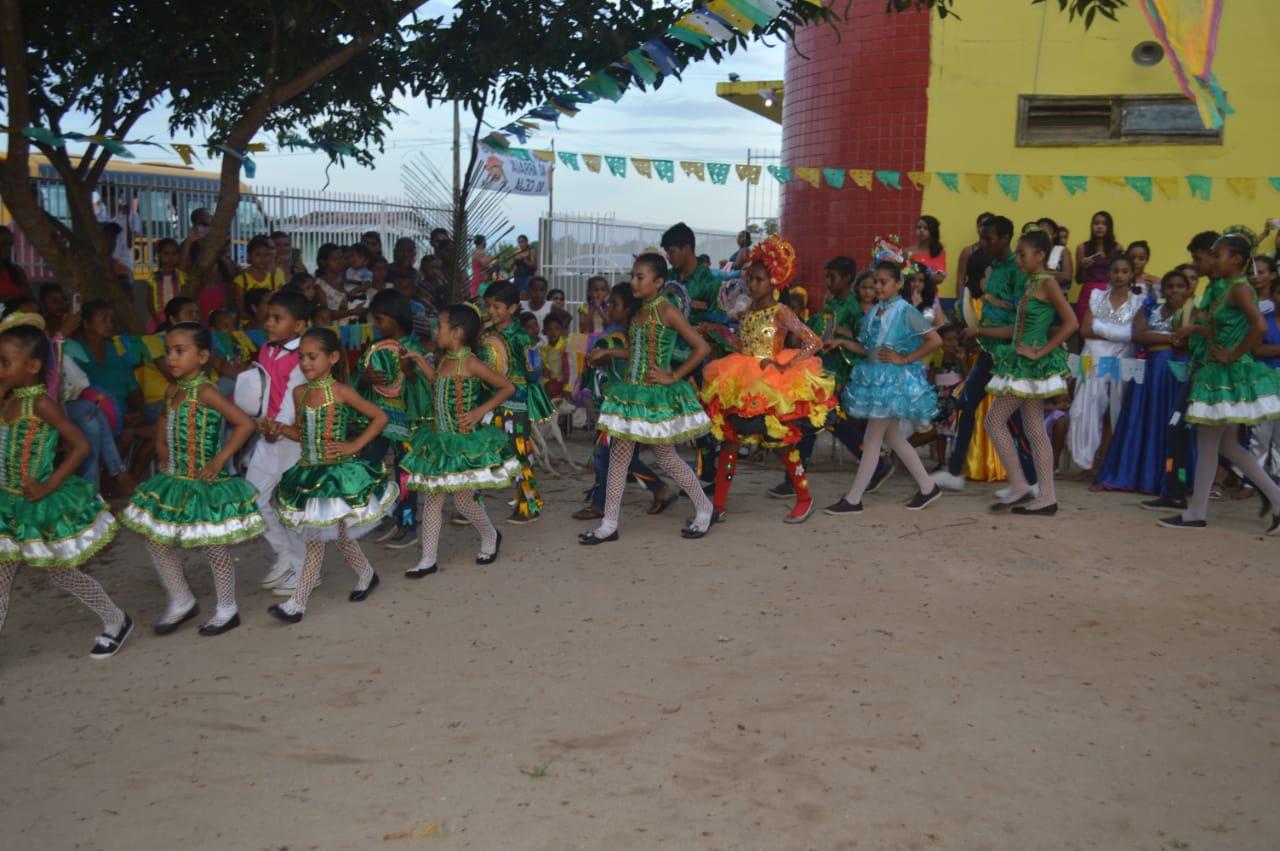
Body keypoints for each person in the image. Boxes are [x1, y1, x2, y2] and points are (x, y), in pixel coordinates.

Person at [0, 313, 132, 659]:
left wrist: (47, 486)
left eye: (4, 362)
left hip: (36, 503)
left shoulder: (41, 403)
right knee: (1, 573)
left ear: (32, 365)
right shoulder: (7, 400)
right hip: (6, 500)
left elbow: (81, 446)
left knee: (61, 574)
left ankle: (116, 620)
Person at [121, 323, 264, 636]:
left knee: (213, 545)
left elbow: (244, 424)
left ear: (202, 357)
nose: (171, 358)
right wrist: (160, 446)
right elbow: (164, 419)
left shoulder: (206, 391)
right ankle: (181, 599)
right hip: (174, 480)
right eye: (168, 351)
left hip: (204, 482)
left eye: (180, 351)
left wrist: (219, 460)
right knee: (155, 537)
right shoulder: (174, 390)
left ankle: (227, 609)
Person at [578, 253, 716, 544]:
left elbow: (701, 347)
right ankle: (609, 524)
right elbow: (638, 352)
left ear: (659, 281)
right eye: (633, 276)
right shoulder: (639, 312)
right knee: (619, 457)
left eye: (640, 277)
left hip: (654, 396)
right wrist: (610, 353)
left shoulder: (667, 310)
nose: (633, 281)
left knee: (666, 458)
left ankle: (705, 508)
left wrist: (673, 377)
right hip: (631, 392)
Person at [699, 236, 836, 524]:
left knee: (782, 442)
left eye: (759, 279)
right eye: (750, 278)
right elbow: (741, 345)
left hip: (772, 384)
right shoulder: (747, 311)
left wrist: (786, 366)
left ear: (775, 280)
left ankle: (804, 499)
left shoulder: (780, 312)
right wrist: (717, 331)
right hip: (740, 380)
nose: (752, 285)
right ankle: (719, 504)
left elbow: (813, 342)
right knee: (730, 441)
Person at [267, 328, 398, 622]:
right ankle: (366, 574)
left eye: (313, 357)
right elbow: (301, 434)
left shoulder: (341, 391)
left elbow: (381, 417)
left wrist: (355, 445)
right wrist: (278, 429)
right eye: (301, 357)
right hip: (310, 475)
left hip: (337, 476)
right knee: (339, 535)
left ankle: (297, 604)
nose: (305, 363)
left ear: (333, 358)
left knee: (316, 538)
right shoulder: (300, 392)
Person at [1159, 228, 1280, 532]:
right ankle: (1277, 499)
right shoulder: (1224, 287)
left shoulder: (1240, 288)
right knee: (1226, 445)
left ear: (1237, 260)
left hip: (1226, 372)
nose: (1213, 259)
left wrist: (1233, 354)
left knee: (1209, 442)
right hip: (1216, 368)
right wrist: (1194, 331)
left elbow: (1259, 325)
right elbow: (1218, 329)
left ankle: (1196, 512)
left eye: (1218, 255)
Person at [400, 305, 518, 577]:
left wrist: (480, 411)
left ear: (456, 332)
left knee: (463, 502)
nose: (434, 331)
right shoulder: (444, 360)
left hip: (462, 444)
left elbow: (507, 387)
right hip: (439, 441)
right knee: (432, 500)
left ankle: (490, 535)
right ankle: (428, 560)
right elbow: (437, 383)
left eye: (439, 326)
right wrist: (419, 360)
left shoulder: (471, 362)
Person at [824, 260, 942, 514]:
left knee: (872, 437)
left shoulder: (905, 310)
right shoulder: (874, 311)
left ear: (899, 284)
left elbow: (935, 339)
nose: (878, 286)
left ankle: (854, 499)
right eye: (875, 281)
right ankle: (927, 487)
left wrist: (905, 359)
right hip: (876, 377)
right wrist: (841, 343)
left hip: (892, 382)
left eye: (883, 282)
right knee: (893, 437)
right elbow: (868, 349)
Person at [932, 216, 1038, 494]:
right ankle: (955, 471)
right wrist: (976, 335)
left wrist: (979, 332)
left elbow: (1019, 323)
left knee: (1012, 419)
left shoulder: (1018, 271)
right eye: (982, 237)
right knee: (966, 404)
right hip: (989, 352)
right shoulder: (993, 269)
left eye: (988, 238)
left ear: (1005, 238)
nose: (983, 243)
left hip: (1009, 354)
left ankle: (1032, 481)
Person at [984, 229, 1078, 514]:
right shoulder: (1030, 283)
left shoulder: (1048, 283)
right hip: (1021, 361)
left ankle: (1022, 486)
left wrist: (1041, 350)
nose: (1018, 259)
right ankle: (1044, 495)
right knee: (1034, 428)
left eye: (1022, 254)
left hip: (1030, 365)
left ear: (1039, 255)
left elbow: (1071, 322)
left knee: (994, 420)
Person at [575, 282, 674, 521]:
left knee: (607, 452)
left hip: (626, 403)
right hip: (623, 404)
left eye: (614, 304)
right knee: (615, 454)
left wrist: (606, 356)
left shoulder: (621, 338)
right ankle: (655, 488)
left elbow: (622, 371)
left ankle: (606, 504)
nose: (609, 308)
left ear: (628, 308)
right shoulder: (620, 334)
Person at [1096, 270, 1194, 493]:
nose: (1175, 290)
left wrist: (1164, 339)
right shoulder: (1151, 308)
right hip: (1151, 373)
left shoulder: (1192, 312)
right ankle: (1137, 476)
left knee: (1172, 424)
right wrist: (1172, 338)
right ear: (1163, 290)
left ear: (1188, 289)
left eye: (1180, 286)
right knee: (1144, 420)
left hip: (1176, 375)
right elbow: (1138, 335)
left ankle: (1172, 481)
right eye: (1170, 286)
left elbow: (1191, 340)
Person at [244, 290, 310, 595]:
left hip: (291, 440)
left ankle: (303, 569)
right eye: (268, 317)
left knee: (291, 507)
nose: (269, 323)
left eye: (277, 318)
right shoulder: (266, 350)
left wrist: (278, 428)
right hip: (268, 436)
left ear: (298, 326)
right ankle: (286, 554)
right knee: (251, 498)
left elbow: (291, 398)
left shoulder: (301, 357)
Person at [357, 290, 433, 546]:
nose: (376, 325)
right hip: (379, 419)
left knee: (404, 472)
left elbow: (425, 387)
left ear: (396, 319)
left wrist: (409, 372)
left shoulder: (415, 350)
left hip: (405, 423)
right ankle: (389, 512)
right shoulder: (374, 349)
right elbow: (361, 375)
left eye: (380, 319)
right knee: (369, 464)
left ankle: (408, 523)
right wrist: (366, 378)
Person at [483, 282, 554, 524]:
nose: (491, 311)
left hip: (515, 405)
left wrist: (516, 379)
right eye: (488, 306)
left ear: (512, 308)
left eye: (497, 306)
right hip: (492, 402)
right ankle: (471, 504)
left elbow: (534, 371)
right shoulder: (489, 335)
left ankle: (529, 505)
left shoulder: (522, 338)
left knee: (520, 453)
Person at [1068, 254, 1144, 481]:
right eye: (1115, 271)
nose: (1119, 275)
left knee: (1114, 411)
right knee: (1085, 408)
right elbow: (1084, 330)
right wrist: (1119, 334)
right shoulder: (1097, 296)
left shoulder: (1138, 302)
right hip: (1093, 359)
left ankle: (1106, 463)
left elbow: (1135, 334)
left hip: (1121, 360)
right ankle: (1089, 463)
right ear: (1109, 273)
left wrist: (1101, 329)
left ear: (1131, 275)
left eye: (1124, 271)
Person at [1246, 255, 1280, 478]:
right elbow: (1257, 350)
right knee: (1261, 432)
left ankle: (1276, 478)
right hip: (1265, 378)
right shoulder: (1263, 319)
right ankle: (1253, 481)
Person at [1074, 211, 1122, 324]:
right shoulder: (1082, 248)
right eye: (1096, 223)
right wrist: (1083, 267)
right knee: (1084, 328)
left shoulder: (1117, 248)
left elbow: (1122, 275)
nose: (1099, 226)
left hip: (1109, 292)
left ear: (1109, 227)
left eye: (1104, 224)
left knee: (1106, 329)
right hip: (1088, 292)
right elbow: (1078, 280)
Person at [234, 235, 286, 317]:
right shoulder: (241, 281)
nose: (263, 259)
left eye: (266, 255)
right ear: (249, 256)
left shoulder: (275, 279)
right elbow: (241, 311)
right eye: (258, 255)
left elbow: (280, 305)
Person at [142, 238, 186, 333]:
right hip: (158, 318)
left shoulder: (181, 276)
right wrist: (157, 320)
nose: (170, 257)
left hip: (177, 317)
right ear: (159, 256)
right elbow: (149, 302)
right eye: (166, 254)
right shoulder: (153, 277)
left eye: (174, 254)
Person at [954, 212, 992, 302]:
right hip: (971, 299)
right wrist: (960, 303)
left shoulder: (999, 252)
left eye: (987, 225)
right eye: (980, 225)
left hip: (992, 300)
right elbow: (960, 279)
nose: (983, 228)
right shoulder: (968, 251)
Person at [908, 215, 947, 298]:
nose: (921, 230)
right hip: (909, 296)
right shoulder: (908, 252)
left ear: (932, 231)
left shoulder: (938, 253)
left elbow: (940, 278)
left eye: (925, 228)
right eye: (919, 227)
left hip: (930, 297)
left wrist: (921, 274)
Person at [0, 226, 32, 301]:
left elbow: (29, 297)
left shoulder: (17, 271)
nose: (7, 248)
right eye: (3, 243)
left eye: (10, 244)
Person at [313, 243, 348, 311]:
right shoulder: (318, 285)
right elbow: (325, 314)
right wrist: (352, 312)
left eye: (341, 257)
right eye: (334, 259)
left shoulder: (347, 277)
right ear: (323, 262)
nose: (340, 262)